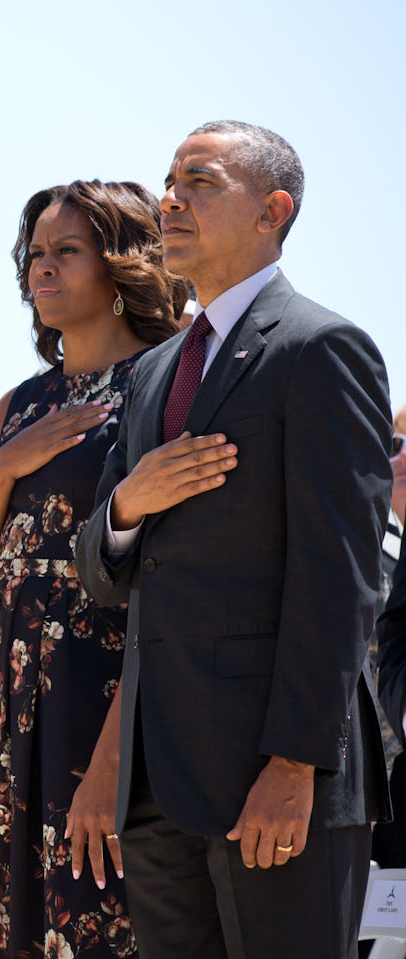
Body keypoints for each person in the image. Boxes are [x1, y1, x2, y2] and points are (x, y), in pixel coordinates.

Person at [76, 121, 392, 959]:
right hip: (157, 789)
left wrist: (295, 764)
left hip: (272, 780)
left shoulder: (321, 350)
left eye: (201, 181)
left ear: (272, 209)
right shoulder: (152, 372)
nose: (171, 198)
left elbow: (342, 577)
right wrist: (129, 506)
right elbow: (105, 576)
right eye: (169, 180)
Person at [0, 181, 184, 958]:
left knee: (97, 925)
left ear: (121, 268)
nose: (42, 270)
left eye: (66, 252)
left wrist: (112, 760)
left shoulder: (166, 389)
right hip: (0, 712)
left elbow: (165, 592)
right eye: (35, 255)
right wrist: (3, 469)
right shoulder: (16, 405)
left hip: (103, 696)